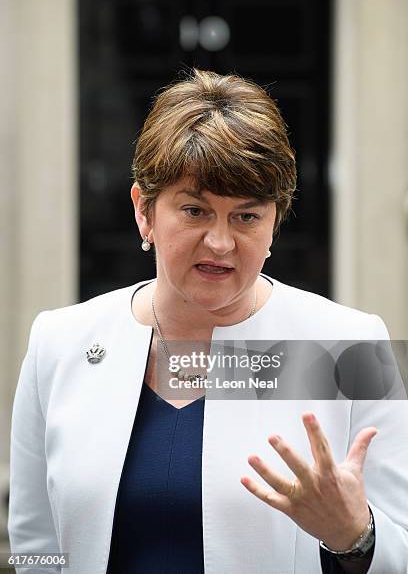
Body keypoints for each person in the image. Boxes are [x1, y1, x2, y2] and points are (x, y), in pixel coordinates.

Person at [8, 69, 408, 574]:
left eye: (246, 216)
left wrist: (354, 536)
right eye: (195, 211)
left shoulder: (345, 347)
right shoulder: (61, 342)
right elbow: (33, 544)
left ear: (275, 222)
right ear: (144, 211)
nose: (220, 242)